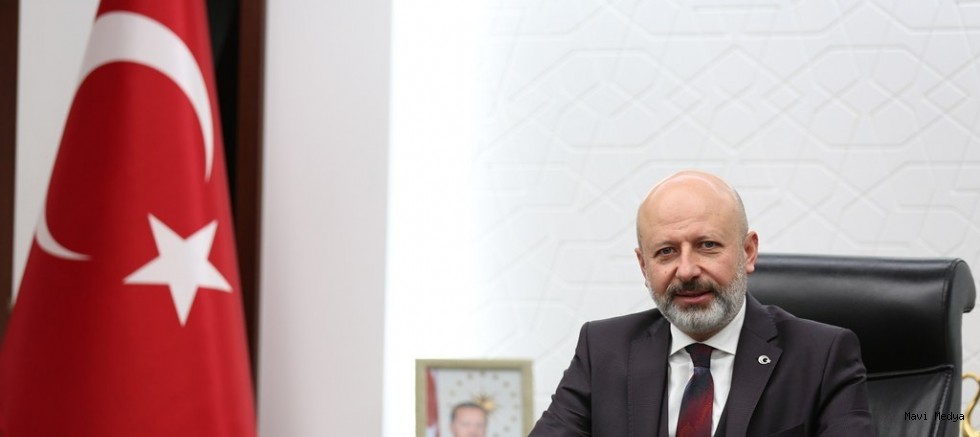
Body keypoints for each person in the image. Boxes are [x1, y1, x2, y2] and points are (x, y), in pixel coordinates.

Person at [529, 170, 875, 436]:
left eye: (707, 245)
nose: (687, 270)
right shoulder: (603, 350)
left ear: (748, 252)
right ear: (644, 266)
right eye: (666, 252)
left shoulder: (822, 356)